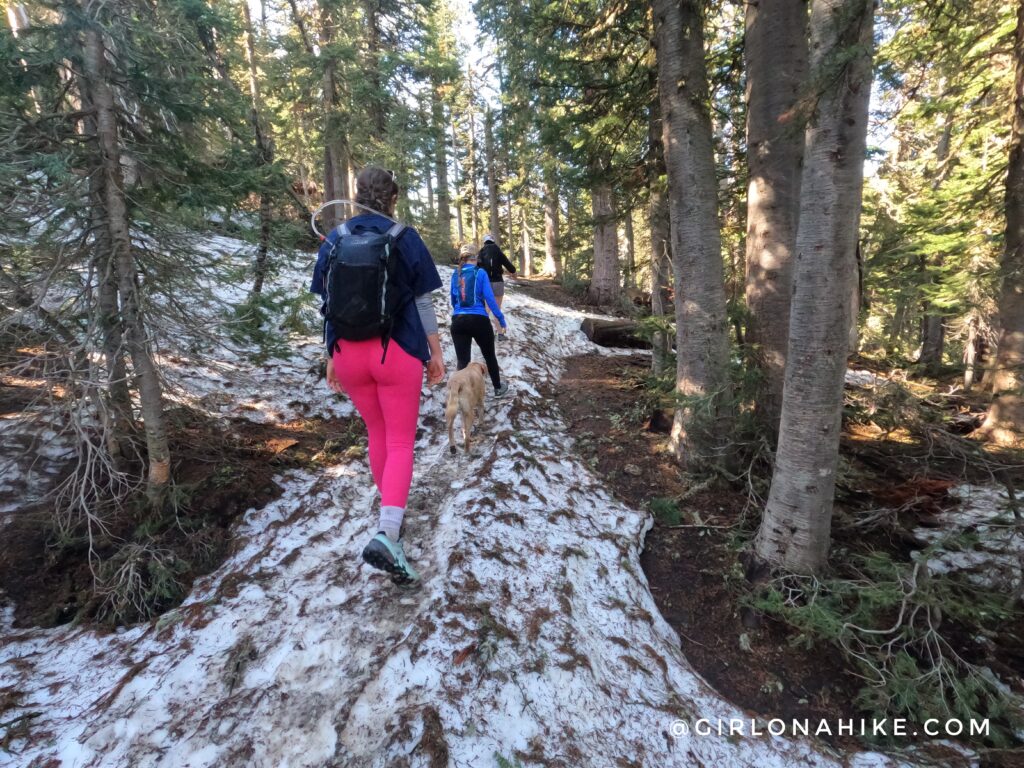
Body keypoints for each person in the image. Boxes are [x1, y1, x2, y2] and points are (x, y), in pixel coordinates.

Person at [310, 166, 445, 586]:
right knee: (402, 439)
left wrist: (331, 352)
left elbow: (329, 300)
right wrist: (435, 351)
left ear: (357, 195)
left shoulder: (336, 238)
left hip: (349, 354)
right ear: (393, 197)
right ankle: (388, 532)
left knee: (377, 433)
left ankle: (389, 516)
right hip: (396, 351)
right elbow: (422, 302)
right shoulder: (404, 237)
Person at [451, 243, 510, 398]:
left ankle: (461, 393)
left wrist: (458, 314)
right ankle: (498, 388)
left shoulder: (455, 274)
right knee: (489, 355)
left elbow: (453, 299)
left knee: (462, 361)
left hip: (458, 320)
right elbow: (490, 299)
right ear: (475, 258)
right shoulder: (481, 273)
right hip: (479, 320)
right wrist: (500, 318)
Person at [476, 234, 517, 336]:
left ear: (484, 242)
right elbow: (511, 268)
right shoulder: (498, 251)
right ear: (493, 241)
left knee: (486, 308)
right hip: (498, 282)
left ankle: (481, 332)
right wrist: (512, 271)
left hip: (485, 283)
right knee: (497, 309)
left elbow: (476, 267)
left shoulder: (481, 252)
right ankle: (500, 334)